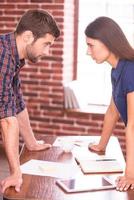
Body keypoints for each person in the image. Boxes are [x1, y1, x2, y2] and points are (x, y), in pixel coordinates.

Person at [0, 9, 60, 193]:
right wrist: (15, 173)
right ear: (27, 36)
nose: (47, 51)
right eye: (46, 44)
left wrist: (31, 143)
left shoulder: (14, 57)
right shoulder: (2, 56)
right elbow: (7, 119)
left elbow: (17, 103)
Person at [85, 16, 134, 191]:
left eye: (91, 45)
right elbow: (113, 112)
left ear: (108, 42)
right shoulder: (117, 70)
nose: (88, 51)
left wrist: (130, 173)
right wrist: (101, 145)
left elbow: (133, 126)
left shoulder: (131, 70)